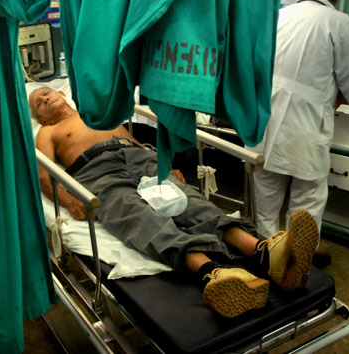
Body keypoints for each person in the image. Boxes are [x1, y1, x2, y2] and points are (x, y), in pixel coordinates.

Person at [30, 86, 319, 318]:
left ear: (62, 94)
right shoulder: (48, 132)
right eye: (40, 103)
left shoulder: (101, 113)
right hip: (97, 171)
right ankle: (212, 273)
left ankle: (263, 252)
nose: (45, 97)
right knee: (137, 215)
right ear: (43, 119)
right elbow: (45, 174)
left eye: (47, 93)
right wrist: (69, 201)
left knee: (189, 201)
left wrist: (163, 162)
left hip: (139, 158)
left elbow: (136, 142)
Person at [251, 0, 349, 247]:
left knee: (267, 191)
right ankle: (297, 261)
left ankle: (266, 253)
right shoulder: (340, 22)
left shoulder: (279, 16)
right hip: (306, 125)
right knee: (307, 197)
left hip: (266, 117)